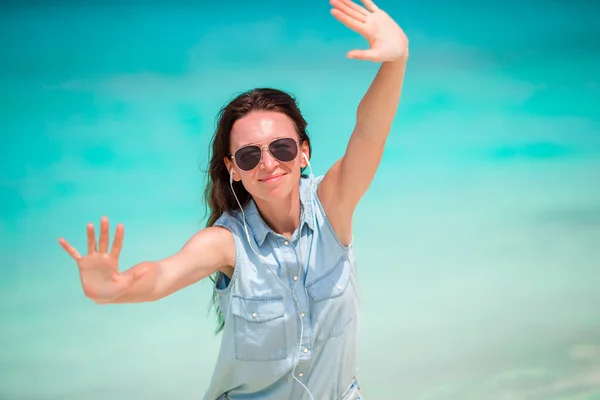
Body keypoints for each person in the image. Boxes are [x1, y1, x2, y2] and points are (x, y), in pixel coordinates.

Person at [58, 0, 408, 398]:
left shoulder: (333, 206)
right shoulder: (226, 243)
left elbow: (369, 133)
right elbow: (162, 274)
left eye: (282, 148)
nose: (268, 163)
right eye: (249, 155)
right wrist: (116, 288)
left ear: (304, 151)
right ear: (233, 168)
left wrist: (396, 61)